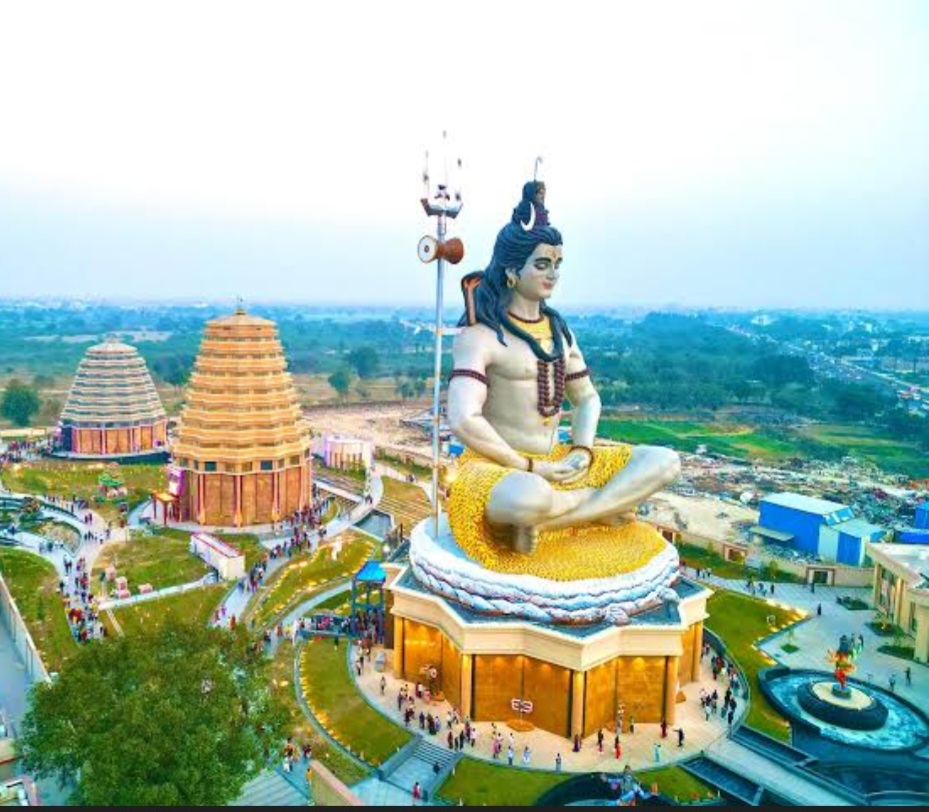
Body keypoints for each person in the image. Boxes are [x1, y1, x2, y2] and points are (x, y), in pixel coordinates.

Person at [446, 180, 681, 554]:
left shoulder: (559, 331)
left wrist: (582, 450)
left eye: (557, 264)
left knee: (665, 462)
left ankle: (564, 518)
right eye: (541, 264)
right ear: (511, 271)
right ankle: (601, 505)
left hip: (561, 460)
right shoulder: (480, 335)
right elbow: (462, 418)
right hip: (500, 468)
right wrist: (528, 466)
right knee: (529, 498)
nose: (552, 274)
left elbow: (587, 399)